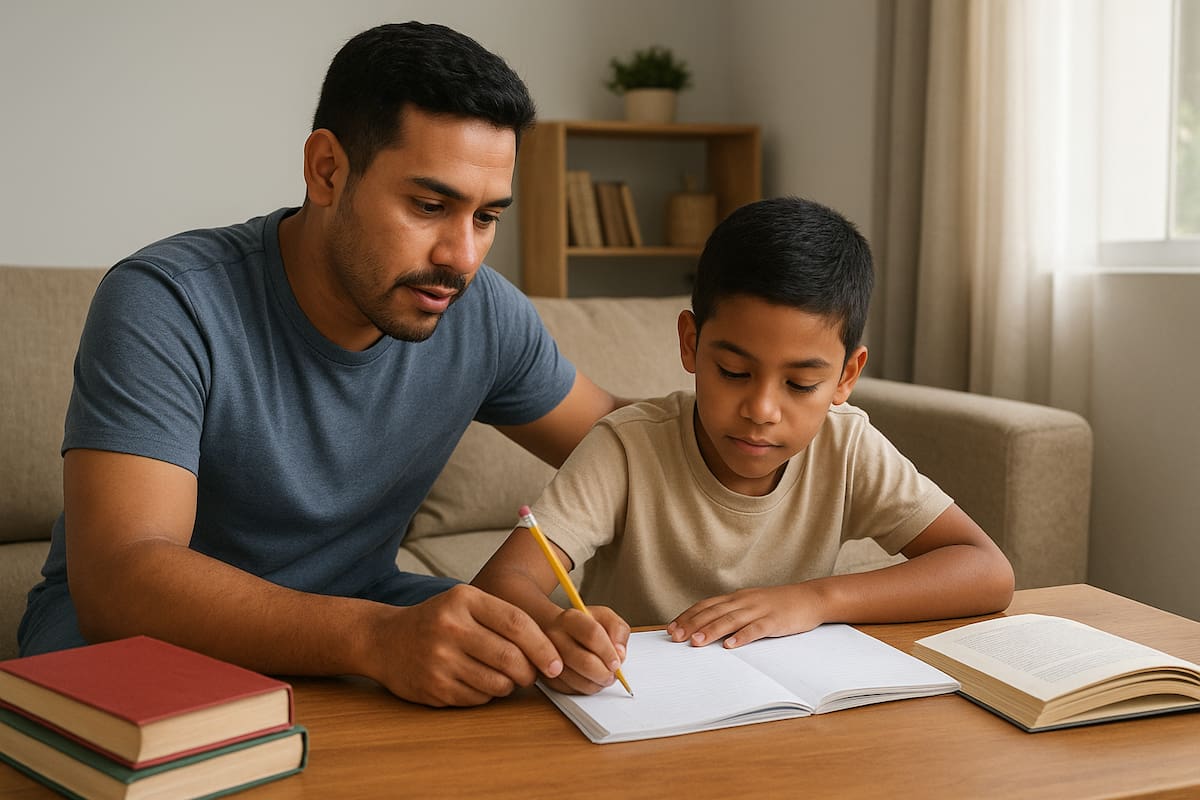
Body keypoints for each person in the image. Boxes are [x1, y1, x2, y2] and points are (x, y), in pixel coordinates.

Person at [17, 21, 624, 708]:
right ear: (327, 170)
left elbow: (624, 441)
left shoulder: (482, 313)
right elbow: (120, 581)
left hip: (361, 623)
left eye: (486, 217)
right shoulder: (167, 301)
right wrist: (374, 639)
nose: (462, 257)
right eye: (430, 206)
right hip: (143, 646)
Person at [472, 196, 1016, 696]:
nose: (761, 410)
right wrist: (558, 627)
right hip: (646, 708)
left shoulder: (846, 445)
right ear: (691, 343)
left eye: (801, 384)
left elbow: (986, 571)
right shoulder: (627, 447)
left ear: (846, 377)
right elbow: (500, 583)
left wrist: (817, 599)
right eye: (734, 372)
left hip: (791, 712)